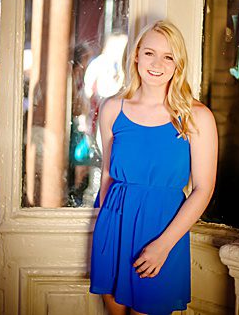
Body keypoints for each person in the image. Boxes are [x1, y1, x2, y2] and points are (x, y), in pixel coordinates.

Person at [89, 20, 217, 314]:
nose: (157, 63)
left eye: (168, 56)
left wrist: (163, 246)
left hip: (163, 231)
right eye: (149, 53)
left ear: (178, 64)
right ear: (135, 55)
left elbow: (203, 189)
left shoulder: (196, 116)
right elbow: (108, 174)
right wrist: (106, 231)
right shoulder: (113, 108)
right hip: (114, 226)